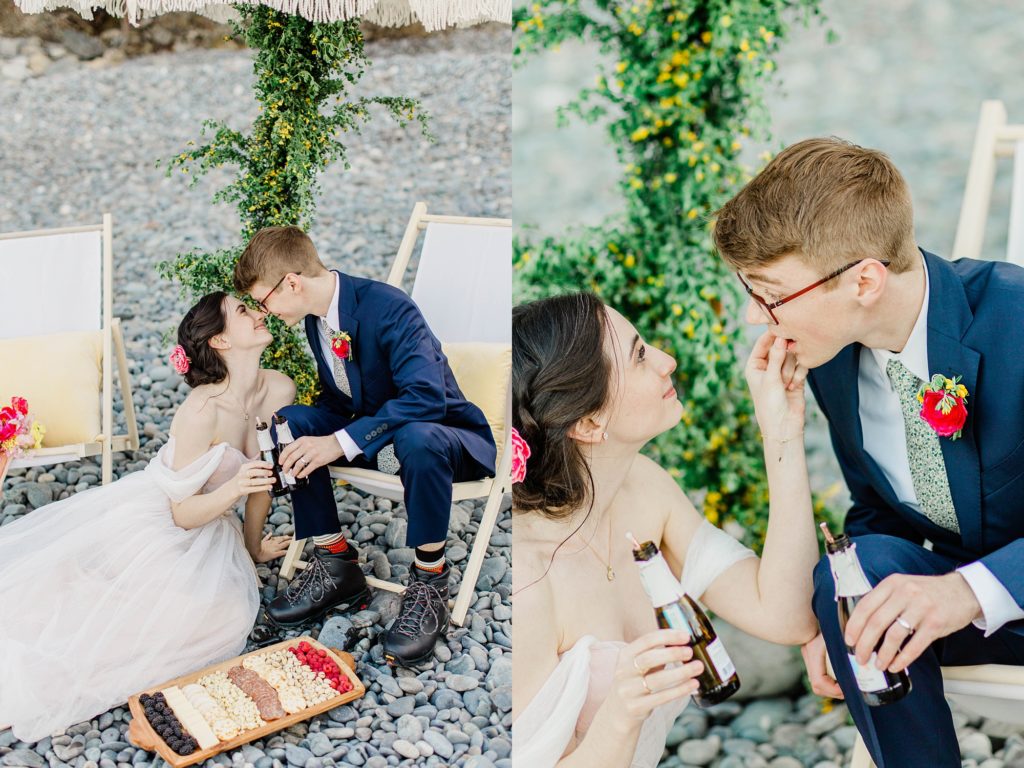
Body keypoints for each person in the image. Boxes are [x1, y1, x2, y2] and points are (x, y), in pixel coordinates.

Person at [713, 136, 1024, 767]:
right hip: (974, 616)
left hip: (994, 591)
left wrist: (966, 591)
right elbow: (877, 514)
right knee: (851, 572)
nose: (754, 318)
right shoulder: (832, 361)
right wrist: (840, 614)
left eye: (769, 294)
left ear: (864, 280)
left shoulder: (1016, 321)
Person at [512, 292, 819, 767]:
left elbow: (785, 613)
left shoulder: (645, 489)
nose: (666, 360)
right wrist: (619, 715)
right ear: (591, 421)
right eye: (639, 356)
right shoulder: (527, 584)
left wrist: (781, 431)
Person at [0, 292, 294, 743]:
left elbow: (263, 483)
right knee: (148, 612)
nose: (258, 313)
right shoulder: (200, 410)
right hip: (160, 518)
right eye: (243, 311)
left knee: (228, 614)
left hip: (213, 524)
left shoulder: (279, 389)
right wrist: (234, 488)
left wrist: (251, 549)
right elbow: (181, 512)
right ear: (219, 340)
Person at [233, 226, 496, 666]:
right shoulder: (317, 321)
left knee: (417, 435)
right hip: (379, 431)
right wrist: (298, 445)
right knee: (293, 423)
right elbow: (342, 399)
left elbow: (426, 398)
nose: (266, 312)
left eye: (264, 301)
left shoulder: (389, 307)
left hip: (442, 436)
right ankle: (337, 564)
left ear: (292, 283)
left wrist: (339, 442)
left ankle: (430, 581)